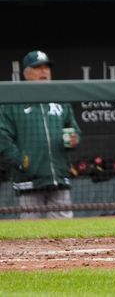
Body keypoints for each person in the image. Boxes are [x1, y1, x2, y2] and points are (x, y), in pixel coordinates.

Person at [0, 50, 81, 219]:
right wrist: (21, 161)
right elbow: (2, 137)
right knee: (30, 236)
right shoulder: (13, 103)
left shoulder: (60, 99)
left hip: (58, 177)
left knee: (64, 233)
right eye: (38, 68)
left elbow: (73, 128)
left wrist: (74, 138)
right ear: (26, 73)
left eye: (46, 67)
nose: (44, 71)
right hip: (29, 179)